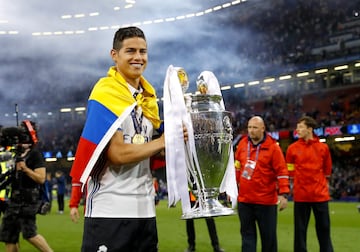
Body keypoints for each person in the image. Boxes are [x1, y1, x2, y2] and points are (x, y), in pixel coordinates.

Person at [69, 26, 186, 252]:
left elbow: (148, 149)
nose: (138, 57)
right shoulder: (106, 94)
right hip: (110, 211)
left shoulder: (147, 99)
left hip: (145, 210)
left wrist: (179, 141)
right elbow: (117, 154)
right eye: (130, 51)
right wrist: (163, 141)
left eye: (143, 51)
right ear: (115, 55)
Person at [234, 116, 289, 252]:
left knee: (268, 239)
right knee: (247, 237)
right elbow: (237, 167)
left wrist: (283, 194)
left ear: (263, 129)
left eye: (255, 128)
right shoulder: (242, 144)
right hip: (245, 201)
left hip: (266, 202)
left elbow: (282, 171)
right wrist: (233, 189)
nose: (251, 131)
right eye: (249, 127)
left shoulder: (273, 148)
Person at [0, 121, 53, 252]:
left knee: (30, 234)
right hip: (14, 199)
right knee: (9, 237)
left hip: (28, 199)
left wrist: (25, 169)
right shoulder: (15, 154)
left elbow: (41, 178)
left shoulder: (35, 154)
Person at [286, 116, 334, 252]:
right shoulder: (292, 148)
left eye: (301, 127)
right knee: (300, 231)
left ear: (309, 129)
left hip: (320, 195)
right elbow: (290, 169)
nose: (297, 130)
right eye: (297, 127)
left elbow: (327, 171)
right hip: (301, 195)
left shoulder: (323, 148)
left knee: (324, 228)